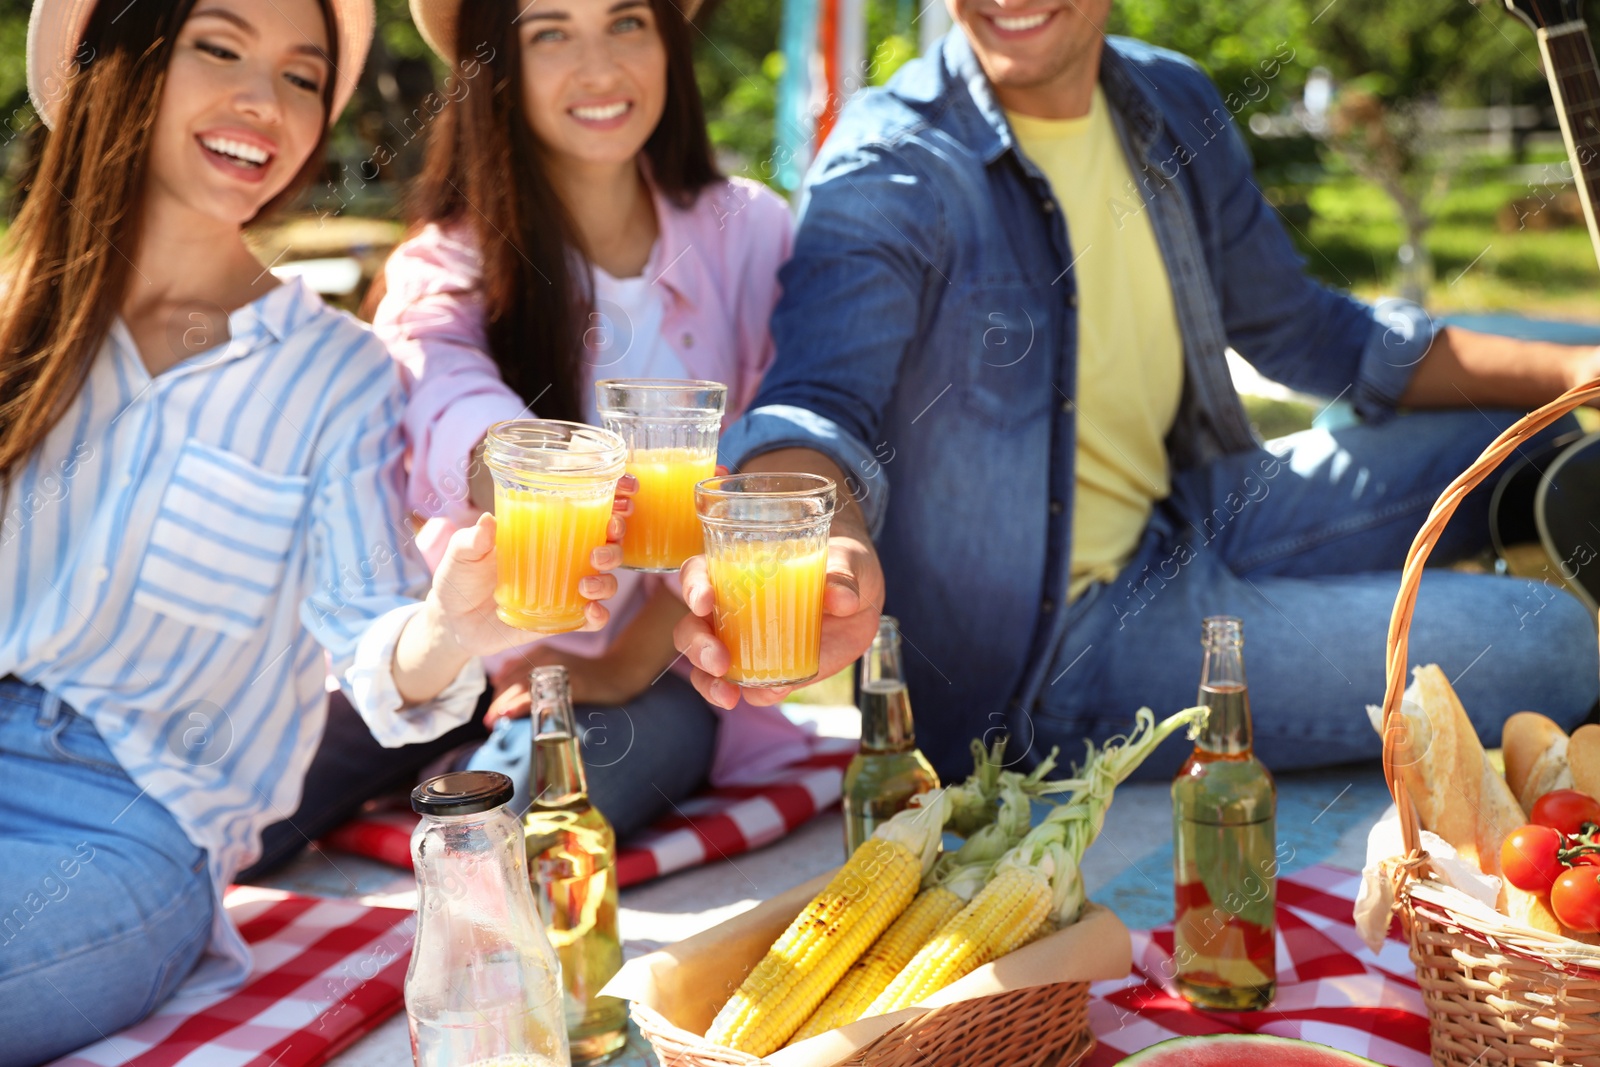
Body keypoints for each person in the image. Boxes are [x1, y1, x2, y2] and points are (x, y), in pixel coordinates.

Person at [675, 0, 1600, 783]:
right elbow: (818, 403)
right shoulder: (894, 165)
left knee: (1540, 438)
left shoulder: (1168, 101)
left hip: (1195, 512)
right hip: (1056, 657)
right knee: (1554, 641)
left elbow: (1315, 334)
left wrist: (1571, 373)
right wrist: (822, 530)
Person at [0, 0, 627, 1059]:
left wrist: (453, 619)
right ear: (129, 59)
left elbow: (378, 654)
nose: (265, 100)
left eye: (300, 74)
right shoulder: (26, 313)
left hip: (124, 826)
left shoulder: (330, 374)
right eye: (220, 46)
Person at [365, 0, 803, 839]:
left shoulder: (747, 230)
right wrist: (534, 479)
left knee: (525, 816)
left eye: (628, 22)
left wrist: (627, 659)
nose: (600, 69)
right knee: (263, 793)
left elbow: (777, 455)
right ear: (498, 62)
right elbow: (448, 397)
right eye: (551, 32)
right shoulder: (445, 263)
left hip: (668, 663)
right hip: (454, 649)